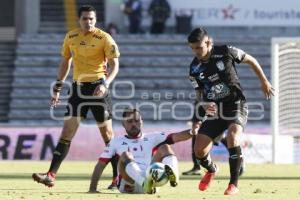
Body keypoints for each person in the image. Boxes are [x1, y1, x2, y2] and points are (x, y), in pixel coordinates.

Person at [32, 5, 120, 189]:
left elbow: (114, 65)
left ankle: (117, 177)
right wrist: (57, 87)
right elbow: (66, 61)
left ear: (96, 20)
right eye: (85, 19)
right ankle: (51, 175)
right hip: (78, 90)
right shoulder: (71, 36)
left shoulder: (105, 38)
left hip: (98, 89)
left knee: (108, 136)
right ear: (78, 20)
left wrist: (105, 84)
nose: (88, 22)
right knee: (66, 133)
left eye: (91, 19)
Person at [187, 27, 274, 195]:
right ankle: (211, 170)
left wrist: (264, 81)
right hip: (216, 109)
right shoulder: (194, 68)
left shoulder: (226, 51)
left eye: (199, 47)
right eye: (192, 48)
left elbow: (251, 60)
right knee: (199, 150)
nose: (196, 51)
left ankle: (233, 185)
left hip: (236, 104)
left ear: (208, 42)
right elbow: (198, 92)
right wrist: (204, 103)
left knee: (233, 137)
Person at [88, 108, 195, 194]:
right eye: (129, 121)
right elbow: (100, 164)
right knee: (125, 155)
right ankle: (144, 183)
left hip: (151, 180)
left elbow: (177, 136)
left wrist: (192, 131)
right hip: (128, 184)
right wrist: (92, 188)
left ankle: (173, 177)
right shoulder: (115, 142)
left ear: (141, 122)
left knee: (165, 147)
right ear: (123, 124)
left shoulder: (153, 137)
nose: (134, 124)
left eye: (137, 121)